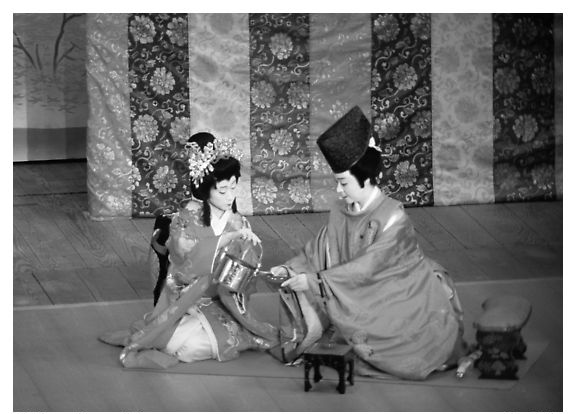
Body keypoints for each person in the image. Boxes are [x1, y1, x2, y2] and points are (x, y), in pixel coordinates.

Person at [270, 106, 467, 380]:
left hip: (399, 293)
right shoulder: (341, 209)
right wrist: (292, 268)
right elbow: (321, 248)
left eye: (343, 183)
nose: (339, 190)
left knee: (401, 347)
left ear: (365, 178)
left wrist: (314, 282)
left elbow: (368, 268)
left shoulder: (393, 218)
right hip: (355, 291)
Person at [99, 132, 289, 368]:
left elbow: (241, 279)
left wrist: (248, 252)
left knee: (192, 348)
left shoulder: (239, 223)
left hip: (222, 303)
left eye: (233, 188)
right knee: (183, 344)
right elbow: (183, 263)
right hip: (186, 301)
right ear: (205, 189)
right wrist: (226, 239)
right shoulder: (186, 219)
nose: (230, 196)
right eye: (222, 190)